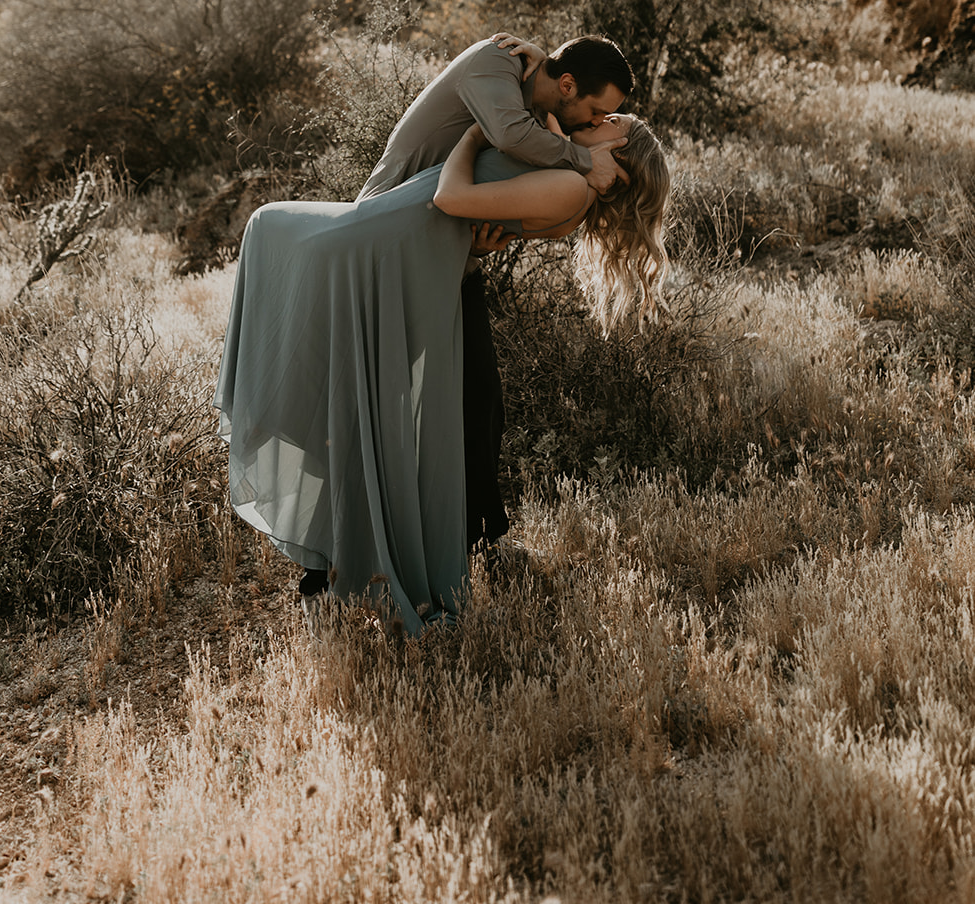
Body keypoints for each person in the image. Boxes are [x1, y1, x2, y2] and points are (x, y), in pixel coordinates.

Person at [213, 108, 670, 638]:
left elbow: (451, 198)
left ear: (623, 152)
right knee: (345, 402)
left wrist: (480, 129)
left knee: (356, 402)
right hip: (407, 257)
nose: (600, 115)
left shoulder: (571, 186)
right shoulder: (563, 159)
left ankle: (350, 564)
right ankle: (334, 561)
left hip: (399, 262)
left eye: (616, 118)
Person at [357, 33, 635, 550]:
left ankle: (477, 534)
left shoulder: (539, 105)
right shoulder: (496, 65)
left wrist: (476, 247)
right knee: (392, 401)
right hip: (388, 234)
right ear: (569, 85)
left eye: (605, 121)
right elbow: (507, 135)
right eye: (596, 113)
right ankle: (369, 540)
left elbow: (522, 155)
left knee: (479, 398)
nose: (595, 125)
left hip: (444, 252)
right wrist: (583, 160)